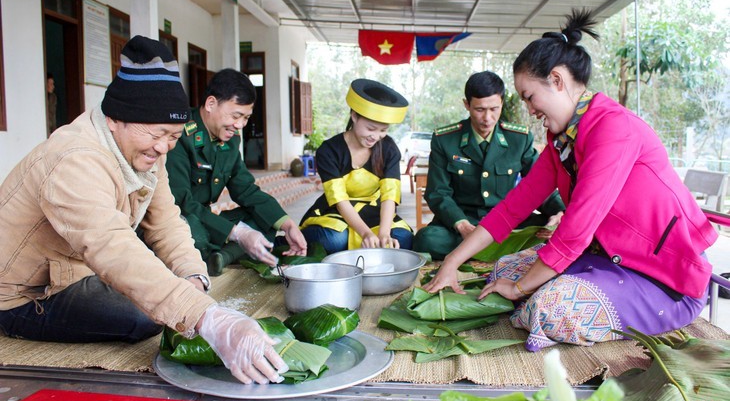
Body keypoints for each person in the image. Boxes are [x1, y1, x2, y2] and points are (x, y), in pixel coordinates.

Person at [424, 9, 718, 351]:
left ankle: (551, 304)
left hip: (661, 278)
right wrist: (451, 262)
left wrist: (520, 290)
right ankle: (548, 298)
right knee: (505, 266)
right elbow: (510, 210)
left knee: (548, 306)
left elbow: (574, 232)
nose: (530, 110)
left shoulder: (614, 129)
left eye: (529, 96)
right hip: (608, 259)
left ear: (558, 80)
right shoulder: (563, 141)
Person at [0, 36, 287, 385]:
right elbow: (113, 248)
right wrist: (206, 317)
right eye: (158, 134)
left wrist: (194, 278)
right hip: (27, 294)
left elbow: (166, 222)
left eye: (173, 136)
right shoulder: (73, 159)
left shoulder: (152, 153)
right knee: (145, 315)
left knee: (170, 297)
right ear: (115, 119)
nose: (164, 146)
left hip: (74, 272)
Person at [166, 69, 307, 276]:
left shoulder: (230, 141)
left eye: (246, 118)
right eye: (236, 116)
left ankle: (221, 257)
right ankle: (222, 253)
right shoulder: (179, 135)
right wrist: (238, 233)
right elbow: (181, 203)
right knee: (191, 230)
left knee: (263, 217)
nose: (240, 125)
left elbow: (246, 189)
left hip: (205, 219)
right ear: (211, 103)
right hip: (180, 217)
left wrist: (287, 224)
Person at [413, 71, 565, 258]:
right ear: (467, 105)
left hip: (507, 223)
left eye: (494, 109)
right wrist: (460, 223)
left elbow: (538, 184)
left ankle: (477, 250)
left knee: (550, 229)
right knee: (426, 239)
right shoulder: (445, 140)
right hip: (464, 224)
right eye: (480, 109)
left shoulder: (519, 139)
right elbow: (438, 192)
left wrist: (559, 210)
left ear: (502, 103)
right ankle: (494, 249)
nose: (487, 118)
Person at [300, 78, 414, 253]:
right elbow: (339, 199)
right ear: (354, 116)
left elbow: (389, 196)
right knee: (335, 239)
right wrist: (366, 233)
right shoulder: (329, 150)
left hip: (375, 212)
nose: (375, 137)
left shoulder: (389, 148)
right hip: (337, 212)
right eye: (370, 128)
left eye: (383, 130)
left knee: (400, 238)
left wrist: (384, 233)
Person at [46, 72, 57, 136]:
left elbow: (53, 115)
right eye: (50, 84)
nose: (53, 86)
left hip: (51, 128)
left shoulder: (53, 97)